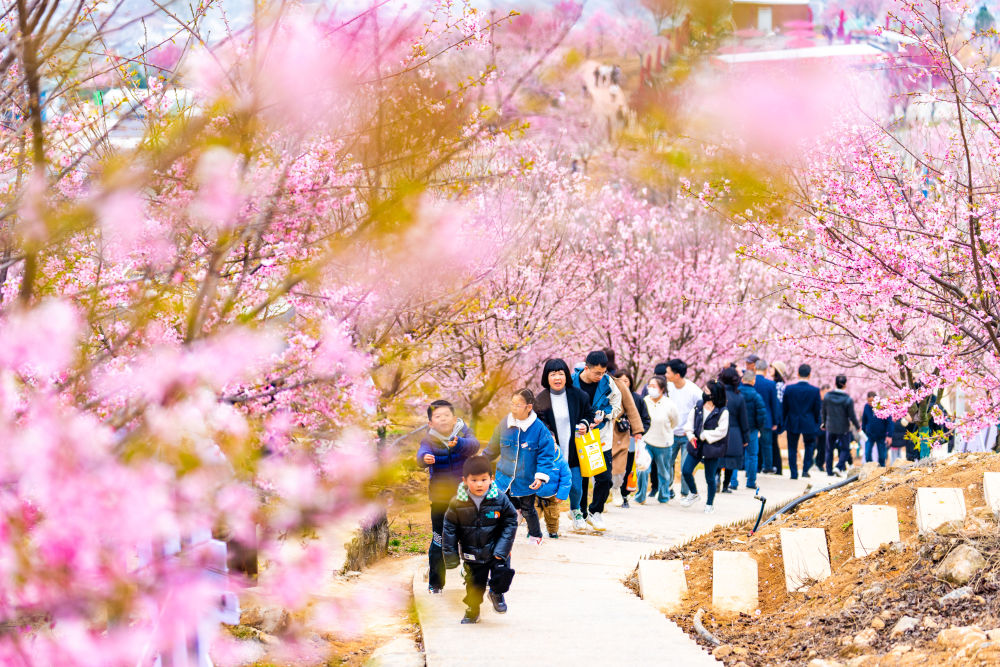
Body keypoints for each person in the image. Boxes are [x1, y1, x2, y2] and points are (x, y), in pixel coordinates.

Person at [442, 455, 518, 624]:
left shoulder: (500, 499)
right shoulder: (457, 503)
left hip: (497, 549)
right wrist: (450, 554)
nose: (479, 484)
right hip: (472, 552)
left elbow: (511, 521)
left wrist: (502, 548)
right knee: (474, 584)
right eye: (474, 480)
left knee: (502, 575)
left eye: (483, 479)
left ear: (491, 479)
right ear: (465, 480)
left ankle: (496, 593)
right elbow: (449, 528)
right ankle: (472, 609)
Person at [416, 400, 480, 594]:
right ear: (430, 423)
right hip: (440, 500)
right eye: (437, 416)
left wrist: (459, 443)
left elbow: (474, 445)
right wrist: (423, 459)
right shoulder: (429, 440)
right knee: (439, 539)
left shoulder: (462, 432)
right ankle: (435, 583)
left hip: (464, 497)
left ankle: (472, 576)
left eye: (446, 415)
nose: (443, 419)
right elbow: (422, 453)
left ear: (454, 418)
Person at [484, 389, 555, 544]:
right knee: (501, 506)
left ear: (529, 407)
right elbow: (492, 447)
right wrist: (478, 464)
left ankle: (536, 536)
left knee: (528, 509)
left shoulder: (539, 429)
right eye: (512, 404)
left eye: (518, 405)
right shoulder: (505, 423)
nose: (513, 408)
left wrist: (540, 476)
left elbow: (546, 455)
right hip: (504, 477)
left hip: (526, 479)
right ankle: (501, 534)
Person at [534, 358, 594, 532]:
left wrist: (585, 423)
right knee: (550, 485)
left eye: (561, 373)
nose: (557, 377)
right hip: (553, 452)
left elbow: (589, 414)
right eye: (553, 374)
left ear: (567, 376)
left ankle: (576, 511)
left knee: (576, 484)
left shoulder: (579, 395)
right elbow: (539, 421)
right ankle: (547, 517)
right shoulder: (542, 398)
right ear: (547, 377)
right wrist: (548, 434)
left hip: (575, 448)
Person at [571, 350, 617, 531]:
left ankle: (596, 511)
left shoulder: (608, 383)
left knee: (604, 477)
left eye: (603, 372)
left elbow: (617, 405)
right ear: (586, 367)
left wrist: (605, 415)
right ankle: (580, 513)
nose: (600, 376)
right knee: (582, 477)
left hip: (601, 436)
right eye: (597, 372)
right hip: (579, 436)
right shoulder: (572, 382)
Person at [680, 380, 730, 513]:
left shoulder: (722, 411)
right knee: (686, 470)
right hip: (696, 445)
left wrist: (705, 435)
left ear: (714, 394)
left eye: (707, 391)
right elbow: (689, 423)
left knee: (710, 477)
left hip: (713, 448)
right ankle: (694, 493)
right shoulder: (698, 406)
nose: (704, 393)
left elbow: (722, 431)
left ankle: (709, 504)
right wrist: (690, 435)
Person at [635, 375, 680, 504]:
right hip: (647, 441)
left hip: (664, 443)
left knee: (664, 472)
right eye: (649, 386)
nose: (650, 389)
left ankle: (663, 495)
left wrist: (665, 430)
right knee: (642, 469)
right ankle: (640, 496)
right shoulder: (645, 401)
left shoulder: (669, 404)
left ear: (662, 389)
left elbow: (674, 422)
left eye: (654, 386)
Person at [664, 358, 703, 502]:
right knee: (667, 462)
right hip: (670, 433)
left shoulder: (693, 391)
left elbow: (702, 409)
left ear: (677, 375)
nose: (666, 374)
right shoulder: (667, 388)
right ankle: (667, 490)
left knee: (686, 465)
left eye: (668, 372)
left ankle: (685, 494)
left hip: (688, 434)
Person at [612, 369, 651, 507]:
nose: (623, 384)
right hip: (613, 438)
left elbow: (645, 419)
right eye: (620, 381)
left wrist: (639, 432)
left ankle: (624, 495)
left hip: (631, 440)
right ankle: (612, 491)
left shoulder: (637, 399)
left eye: (626, 381)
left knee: (627, 468)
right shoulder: (611, 396)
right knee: (613, 467)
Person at [782, 364, 822, 479]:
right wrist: (816, 423)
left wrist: (784, 420)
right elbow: (816, 409)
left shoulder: (789, 389)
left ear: (797, 374)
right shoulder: (814, 391)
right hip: (808, 422)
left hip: (792, 421)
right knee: (809, 446)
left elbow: (785, 407)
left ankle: (793, 473)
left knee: (792, 448)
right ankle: (805, 470)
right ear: (809, 375)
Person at [718, 367, 750, 492]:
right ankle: (726, 485)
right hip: (734, 431)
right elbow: (744, 419)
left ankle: (716, 478)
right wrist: (746, 437)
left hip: (718, 430)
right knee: (731, 461)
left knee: (717, 456)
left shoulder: (717, 395)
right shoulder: (738, 397)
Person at [821, 375, 860, 477]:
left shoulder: (827, 396)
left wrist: (824, 423)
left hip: (830, 426)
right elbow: (852, 416)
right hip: (843, 428)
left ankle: (829, 472)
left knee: (829, 449)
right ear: (845, 385)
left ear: (835, 384)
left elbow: (824, 412)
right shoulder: (847, 399)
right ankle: (838, 467)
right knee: (845, 449)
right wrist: (858, 426)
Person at [535, 439, 572, 538]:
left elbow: (566, 479)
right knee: (533, 514)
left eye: (554, 443)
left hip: (552, 496)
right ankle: (533, 532)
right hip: (535, 495)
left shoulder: (561, 462)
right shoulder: (536, 458)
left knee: (553, 516)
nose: (552, 446)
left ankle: (552, 532)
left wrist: (561, 495)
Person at [736, 370, 767, 489]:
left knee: (737, 454)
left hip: (738, 429)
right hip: (752, 429)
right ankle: (751, 481)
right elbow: (761, 415)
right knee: (752, 455)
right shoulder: (756, 396)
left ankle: (733, 482)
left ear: (742, 380)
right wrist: (759, 428)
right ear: (753, 381)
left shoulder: (737, 394)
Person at [749, 358, 780, 474]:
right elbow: (774, 404)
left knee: (751, 444)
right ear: (766, 370)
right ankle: (767, 466)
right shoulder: (771, 384)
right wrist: (775, 421)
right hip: (767, 419)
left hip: (751, 418)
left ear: (755, 369)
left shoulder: (750, 382)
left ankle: (752, 468)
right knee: (767, 444)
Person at [861, 391, 891, 467]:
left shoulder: (883, 406)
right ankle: (870, 466)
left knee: (881, 455)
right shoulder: (866, 407)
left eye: (872, 401)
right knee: (867, 453)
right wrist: (863, 431)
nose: (870, 403)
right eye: (868, 401)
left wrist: (889, 435)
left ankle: (881, 468)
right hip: (869, 435)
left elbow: (889, 422)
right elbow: (864, 420)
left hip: (881, 434)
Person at [770, 361, 788, 474]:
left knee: (773, 443)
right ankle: (776, 467)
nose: (770, 370)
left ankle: (777, 467)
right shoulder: (776, 384)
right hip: (775, 418)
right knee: (773, 442)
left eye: (772, 368)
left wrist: (776, 420)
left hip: (775, 418)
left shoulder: (779, 386)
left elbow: (778, 404)